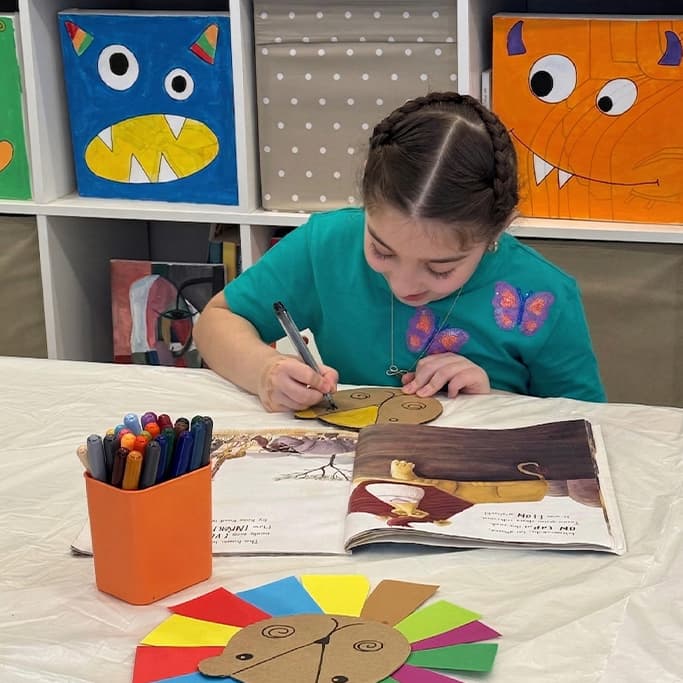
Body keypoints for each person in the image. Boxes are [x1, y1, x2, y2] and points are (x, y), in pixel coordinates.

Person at [194, 92, 606, 412]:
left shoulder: (543, 294)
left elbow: (587, 423)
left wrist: (496, 399)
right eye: (381, 250)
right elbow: (218, 319)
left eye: (441, 268)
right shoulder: (327, 244)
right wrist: (265, 372)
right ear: (366, 206)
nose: (404, 286)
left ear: (497, 230)